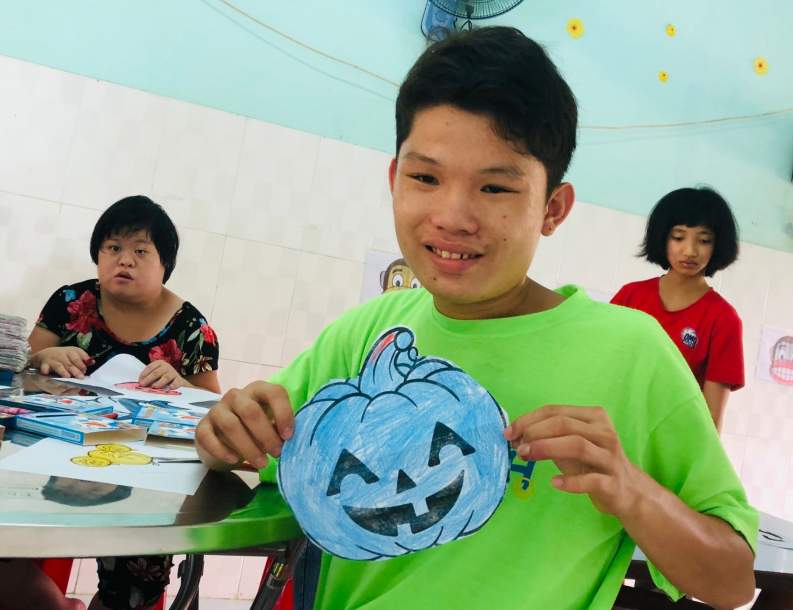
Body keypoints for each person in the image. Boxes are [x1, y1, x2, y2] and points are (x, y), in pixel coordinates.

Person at [195, 27, 757, 610]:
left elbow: (732, 582)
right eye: (425, 178)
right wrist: (221, 435)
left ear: (553, 209)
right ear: (394, 181)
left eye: (494, 187)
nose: (452, 215)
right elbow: (244, 450)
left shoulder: (631, 352)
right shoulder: (368, 332)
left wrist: (631, 490)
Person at [26, 195, 221, 610]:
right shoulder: (69, 302)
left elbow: (212, 404)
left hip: (142, 473)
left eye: (140, 251)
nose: (124, 260)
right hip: (50, 456)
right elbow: (22, 370)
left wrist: (181, 382)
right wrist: (44, 357)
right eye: (113, 248)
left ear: (164, 263)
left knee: (136, 584)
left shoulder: (191, 327)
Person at [611, 188, 743, 431]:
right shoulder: (630, 296)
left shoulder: (724, 319)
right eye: (678, 237)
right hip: (613, 429)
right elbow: (603, 367)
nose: (690, 251)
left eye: (704, 240)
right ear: (662, 238)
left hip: (671, 443)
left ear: (718, 245)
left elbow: (711, 418)